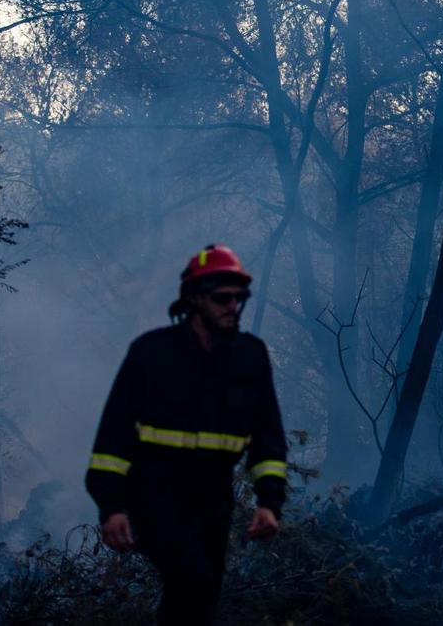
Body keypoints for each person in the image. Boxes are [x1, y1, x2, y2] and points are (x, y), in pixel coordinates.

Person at [85, 244, 288, 625]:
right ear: (194, 299)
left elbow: (268, 437)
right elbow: (113, 439)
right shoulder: (151, 353)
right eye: (221, 298)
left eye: (238, 298)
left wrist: (269, 503)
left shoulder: (251, 357)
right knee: (192, 577)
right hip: (154, 494)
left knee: (202, 596)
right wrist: (111, 507)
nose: (232, 307)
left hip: (214, 498)